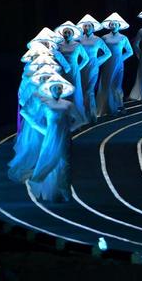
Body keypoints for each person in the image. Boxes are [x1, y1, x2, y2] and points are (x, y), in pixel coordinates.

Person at [23, 74, 85, 202]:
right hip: (50, 138)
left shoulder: (68, 105)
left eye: (60, 88)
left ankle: (64, 191)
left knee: (64, 163)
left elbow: (80, 120)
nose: (58, 90)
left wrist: (68, 130)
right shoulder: (45, 105)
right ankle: (48, 188)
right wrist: (45, 131)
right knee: (48, 161)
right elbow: (32, 119)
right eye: (55, 88)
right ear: (50, 89)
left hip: (64, 138)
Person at [8, 65, 58, 183]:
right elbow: (23, 106)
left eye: (48, 78)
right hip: (34, 125)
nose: (45, 80)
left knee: (47, 145)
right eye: (43, 78)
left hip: (47, 123)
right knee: (35, 145)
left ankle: (45, 168)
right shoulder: (34, 92)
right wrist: (34, 120)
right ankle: (35, 168)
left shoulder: (52, 94)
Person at [96, 13, 133, 116]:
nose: (113, 25)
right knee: (106, 84)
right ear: (109, 25)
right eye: (111, 24)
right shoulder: (104, 38)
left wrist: (121, 59)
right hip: (107, 64)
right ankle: (106, 107)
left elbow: (130, 51)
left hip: (118, 64)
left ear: (119, 25)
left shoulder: (123, 38)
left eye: (115, 24)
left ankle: (119, 105)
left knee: (116, 85)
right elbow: (100, 51)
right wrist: (100, 61)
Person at [77, 14, 111, 123]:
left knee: (89, 91)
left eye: (88, 26)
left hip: (92, 66)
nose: (86, 28)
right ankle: (82, 116)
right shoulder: (79, 39)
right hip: (81, 67)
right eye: (85, 26)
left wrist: (97, 62)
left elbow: (108, 53)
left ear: (93, 27)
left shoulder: (98, 40)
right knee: (81, 91)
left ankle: (91, 116)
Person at [55, 21, 90, 122]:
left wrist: (78, 68)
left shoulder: (77, 45)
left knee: (75, 93)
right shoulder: (59, 45)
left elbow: (86, 58)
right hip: (62, 72)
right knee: (63, 92)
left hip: (74, 71)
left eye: (68, 32)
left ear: (73, 33)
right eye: (65, 32)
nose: (66, 34)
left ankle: (76, 118)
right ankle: (65, 117)